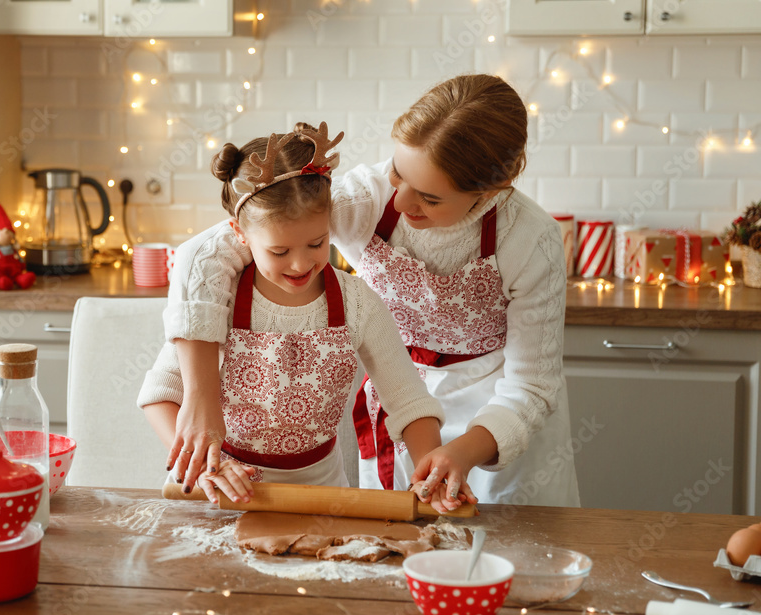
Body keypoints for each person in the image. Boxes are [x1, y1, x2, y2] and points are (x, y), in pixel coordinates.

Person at [162, 75, 580, 512]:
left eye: (431, 198)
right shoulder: (365, 198)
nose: (399, 203)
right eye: (398, 173)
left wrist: (463, 452)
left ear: (491, 189)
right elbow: (208, 250)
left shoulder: (531, 240)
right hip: (404, 413)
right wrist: (201, 401)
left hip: (498, 420)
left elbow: (532, 386)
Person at [137, 123, 448, 505]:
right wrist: (206, 464)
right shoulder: (220, 299)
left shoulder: (358, 304)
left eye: (316, 243)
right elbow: (159, 395)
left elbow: (409, 401)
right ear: (240, 233)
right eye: (279, 251)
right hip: (222, 493)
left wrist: (431, 472)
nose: (301, 264)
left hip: (321, 498)